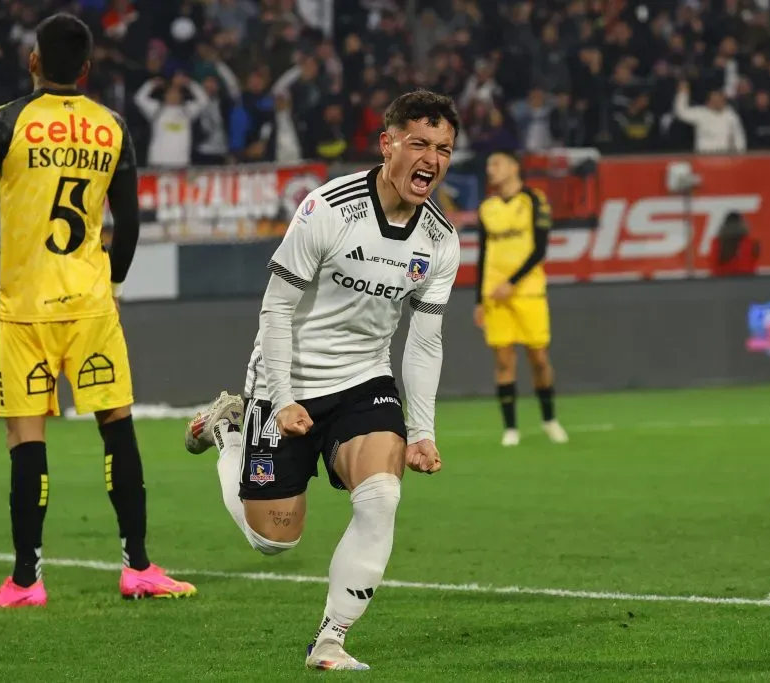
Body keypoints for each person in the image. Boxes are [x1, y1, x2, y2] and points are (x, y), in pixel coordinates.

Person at [0, 14, 195, 607]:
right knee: (116, 427)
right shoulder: (113, 125)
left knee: (26, 438)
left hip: (26, 308)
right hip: (92, 304)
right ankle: (139, 567)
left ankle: (26, 579)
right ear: (87, 68)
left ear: (33, 61)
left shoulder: (8, 122)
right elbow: (128, 224)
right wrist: (115, 285)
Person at [184, 90, 461, 671]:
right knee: (274, 540)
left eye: (443, 148)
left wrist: (423, 429)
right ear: (387, 145)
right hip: (286, 377)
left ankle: (330, 640)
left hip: (364, 379)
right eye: (419, 143)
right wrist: (280, 399)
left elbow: (425, 340)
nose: (431, 159)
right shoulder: (328, 209)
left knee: (382, 496)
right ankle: (228, 431)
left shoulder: (440, 241)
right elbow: (276, 308)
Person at [473, 151, 568, 447]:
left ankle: (549, 420)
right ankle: (511, 428)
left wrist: (512, 283)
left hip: (527, 291)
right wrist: (479, 298)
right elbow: (484, 254)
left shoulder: (534, 200)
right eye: (489, 164)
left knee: (538, 358)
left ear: (514, 167)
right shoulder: (486, 208)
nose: (491, 169)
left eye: (497, 163)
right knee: (503, 359)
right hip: (494, 294)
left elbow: (540, 250)